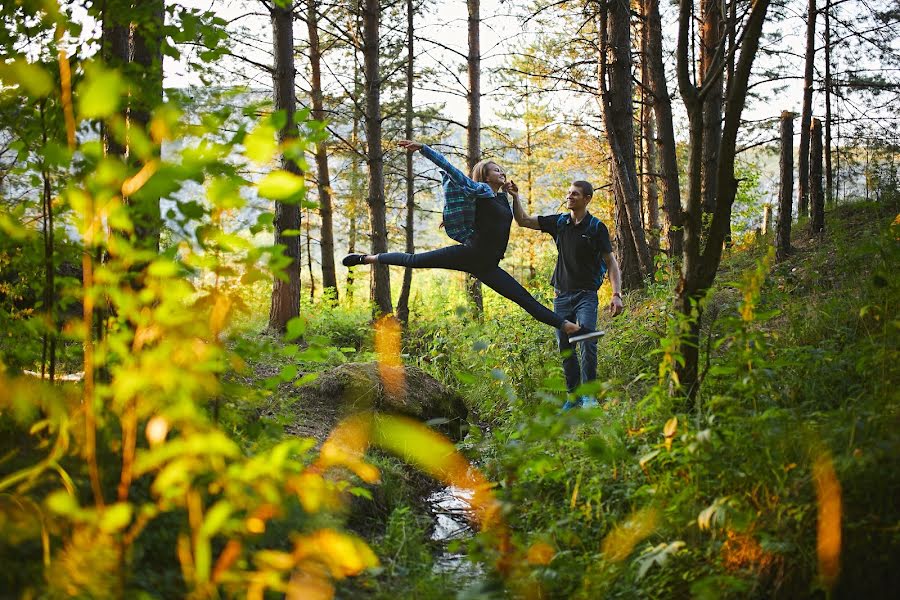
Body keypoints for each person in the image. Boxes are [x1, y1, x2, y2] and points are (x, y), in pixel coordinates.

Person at [342, 140, 604, 343]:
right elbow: (450, 168)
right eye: (495, 170)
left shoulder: (501, 198)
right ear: (485, 175)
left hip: (488, 265)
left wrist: (514, 196)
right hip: (469, 254)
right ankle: (366, 258)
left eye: (502, 169)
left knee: (525, 299)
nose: (501, 172)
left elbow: (520, 218)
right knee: (415, 261)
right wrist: (424, 149)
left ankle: (571, 329)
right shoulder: (478, 191)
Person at [508, 179, 623, 409]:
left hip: (586, 295)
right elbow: (523, 221)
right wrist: (515, 197)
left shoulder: (596, 227)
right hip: (561, 296)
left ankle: (589, 397)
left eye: (575, 194)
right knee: (565, 346)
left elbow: (611, 263)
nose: (569, 196)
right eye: (569, 192)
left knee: (587, 342)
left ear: (587, 199)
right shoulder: (559, 222)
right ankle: (573, 398)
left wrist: (616, 294)